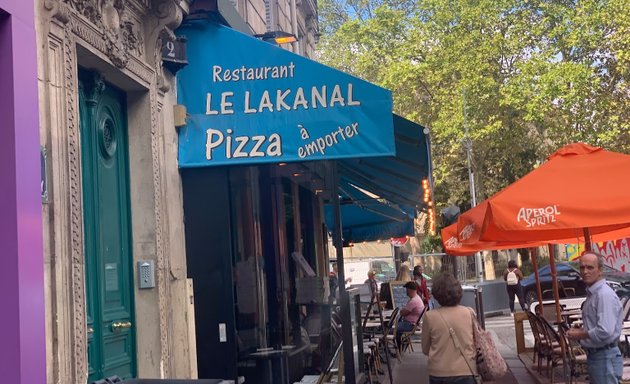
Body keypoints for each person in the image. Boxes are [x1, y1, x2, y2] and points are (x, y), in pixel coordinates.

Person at [567, 251, 623, 384]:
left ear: (600, 270)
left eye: (590, 267)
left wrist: (580, 334)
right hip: (598, 356)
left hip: (604, 357)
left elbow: (605, 330)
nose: (585, 271)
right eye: (582, 267)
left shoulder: (603, 295)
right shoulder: (594, 293)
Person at [422, 273, 477, 384]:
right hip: (466, 369)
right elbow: (476, 342)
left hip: (439, 372)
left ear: (437, 294)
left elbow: (425, 348)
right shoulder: (469, 313)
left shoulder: (430, 316)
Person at [395, 281, 425, 350]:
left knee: (393, 329)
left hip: (410, 324)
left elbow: (403, 313)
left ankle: (398, 349)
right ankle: (402, 346)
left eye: (406, 289)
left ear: (410, 290)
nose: (406, 292)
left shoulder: (413, 301)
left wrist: (402, 310)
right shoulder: (417, 298)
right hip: (414, 323)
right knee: (397, 327)